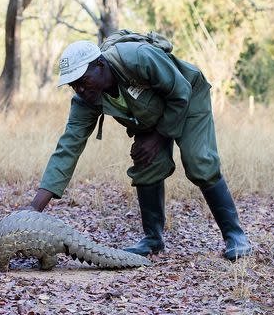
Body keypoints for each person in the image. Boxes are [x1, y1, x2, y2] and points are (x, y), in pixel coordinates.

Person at [24, 32, 251, 260]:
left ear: (100, 65)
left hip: (187, 98)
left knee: (199, 161)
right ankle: (153, 240)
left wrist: (157, 137)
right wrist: (32, 213)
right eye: (74, 86)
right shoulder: (87, 100)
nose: (80, 90)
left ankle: (235, 235)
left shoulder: (137, 58)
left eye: (83, 81)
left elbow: (180, 92)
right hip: (149, 114)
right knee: (146, 162)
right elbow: (68, 149)